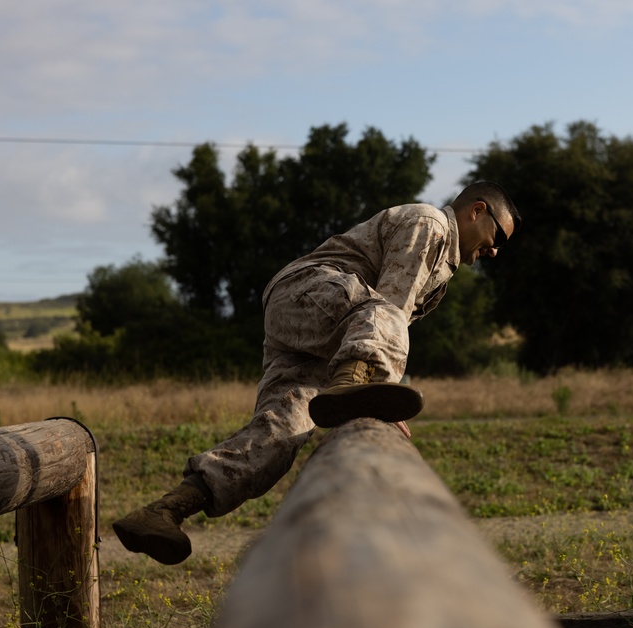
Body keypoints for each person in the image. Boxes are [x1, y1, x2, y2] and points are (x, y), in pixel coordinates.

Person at [112, 180, 521, 564]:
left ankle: (166, 510)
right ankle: (351, 385)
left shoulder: (442, 268)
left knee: (280, 432)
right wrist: (383, 396)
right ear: (476, 210)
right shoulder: (430, 224)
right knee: (381, 310)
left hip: (316, 326)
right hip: (310, 291)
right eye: (497, 237)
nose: (495, 251)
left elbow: (381, 325)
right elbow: (391, 308)